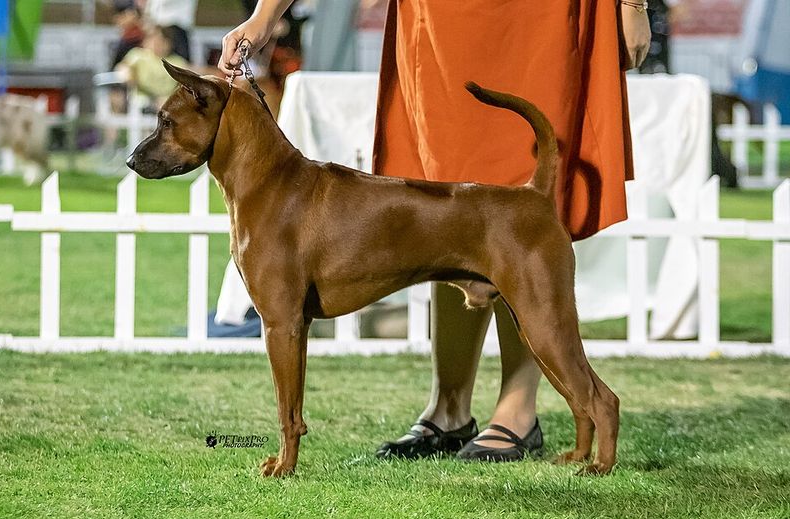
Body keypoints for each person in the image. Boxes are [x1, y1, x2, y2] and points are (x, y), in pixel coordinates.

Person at [218, 0, 650, 462]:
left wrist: (632, 3)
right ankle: (448, 407)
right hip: (441, 24)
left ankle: (517, 411)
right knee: (446, 208)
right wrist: (265, 15)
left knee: (516, 210)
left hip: (539, 20)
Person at [116, 24, 189, 104]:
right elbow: (122, 68)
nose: (157, 44)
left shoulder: (178, 61)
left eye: (162, 40)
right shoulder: (138, 55)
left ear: (169, 43)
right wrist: (127, 73)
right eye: (154, 39)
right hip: (141, 103)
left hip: (167, 104)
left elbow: (190, 77)